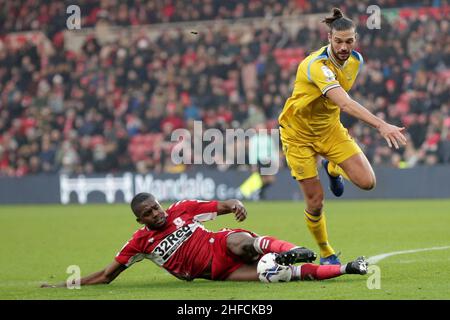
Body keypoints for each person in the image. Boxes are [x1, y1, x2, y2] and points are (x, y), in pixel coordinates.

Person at [278, 8, 407, 265]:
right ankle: (327, 253)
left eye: (349, 41)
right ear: (329, 38)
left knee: (368, 182)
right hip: (297, 135)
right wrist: (382, 125)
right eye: (339, 41)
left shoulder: (356, 61)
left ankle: (333, 168)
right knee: (315, 202)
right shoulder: (316, 66)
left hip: (330, 129)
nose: (344, 46)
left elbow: (338, 105)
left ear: (355, 40)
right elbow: (345, 103)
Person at [41, 193, 368, 287]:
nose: (156, 213)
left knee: (241, 241)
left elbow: (219, 206)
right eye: (149, 213)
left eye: (155, 207)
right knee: (277, 276)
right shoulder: (139, 243)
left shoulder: (181, 209)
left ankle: (292, 249)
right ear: (140, 220)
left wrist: (236, 206)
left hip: (219, 244)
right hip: (217, 273)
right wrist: (67, 286)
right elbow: (107, 275)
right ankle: (347, 269)